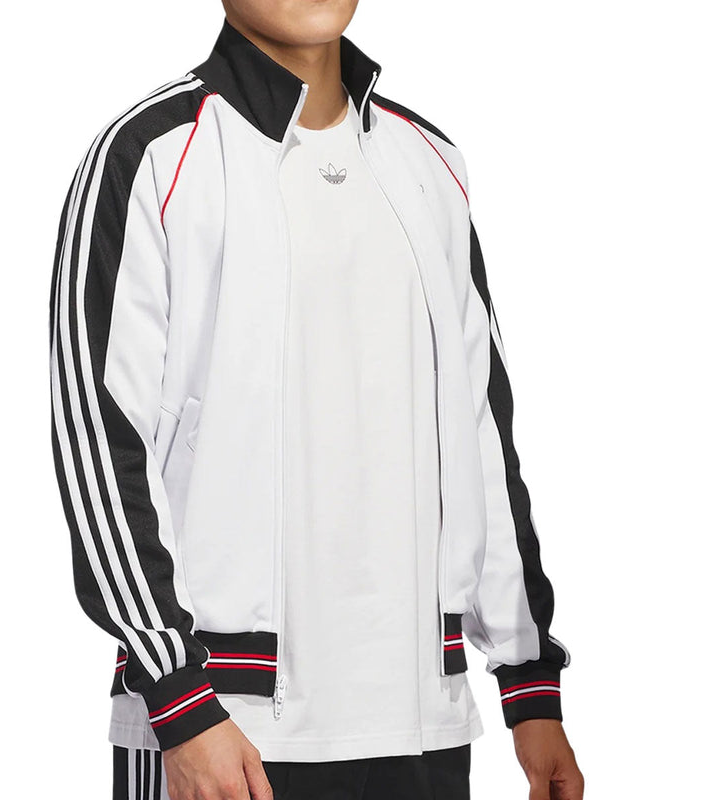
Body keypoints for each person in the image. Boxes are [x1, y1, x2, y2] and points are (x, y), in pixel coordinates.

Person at [48, 2, 584, 798]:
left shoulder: (429, 161)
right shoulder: (150, 154)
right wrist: (178, 699)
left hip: (423, 723)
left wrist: (528, 680)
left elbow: (482, 433)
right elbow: (100, 440)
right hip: (224, 723)